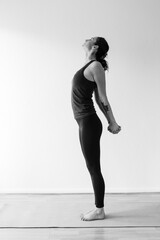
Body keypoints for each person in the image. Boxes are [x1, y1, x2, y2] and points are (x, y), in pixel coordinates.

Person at [71, 36, 121, 221]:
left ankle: (99, 210)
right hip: (84, 122)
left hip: (89, 122)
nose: (85, 39)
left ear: (95, 46)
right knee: (91, 166)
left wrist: (112, 122)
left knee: (93, 167)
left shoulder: (95, 67)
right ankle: (99, 208)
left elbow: (102, 98)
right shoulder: (88, 66)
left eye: (90, 38)